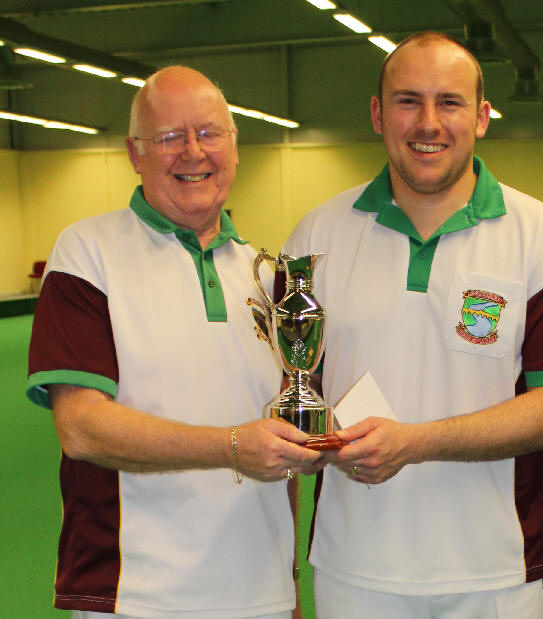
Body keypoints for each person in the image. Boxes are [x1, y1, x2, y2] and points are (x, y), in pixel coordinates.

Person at [281, 31, 543, 619]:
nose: (428, 122)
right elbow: (290, 399)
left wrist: (415, 442)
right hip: (354, 567)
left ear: (482, 117)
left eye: (449, 103)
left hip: (498, 573)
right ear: (379, 114)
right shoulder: (315, 236)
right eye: (408, 101)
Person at [26, 66, 323, 618]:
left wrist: (289, 588)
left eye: (210, 133)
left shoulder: (270, 276)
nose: (194, 152)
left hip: (261, 596)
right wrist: (232, 446)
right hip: (134, 597)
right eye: (169, 137)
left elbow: (284, 440)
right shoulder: (87, 254)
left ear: (235, 148)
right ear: (134, 153)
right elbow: (82, 428)